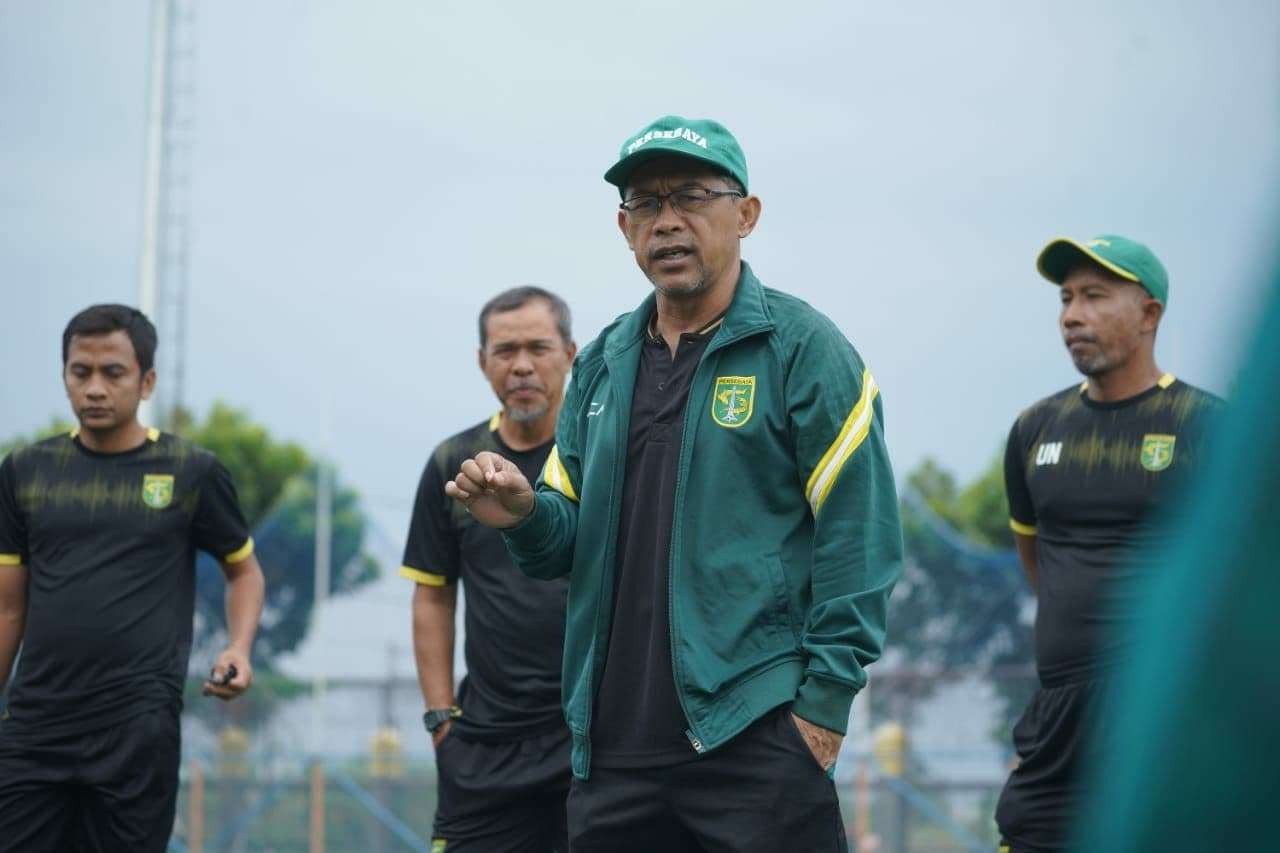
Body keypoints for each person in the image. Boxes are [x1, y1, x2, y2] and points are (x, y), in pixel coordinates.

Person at [444, 115, 903, 851]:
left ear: (745, 214)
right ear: (624, 229)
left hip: (754, 736)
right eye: (646, 203)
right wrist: (525, 513)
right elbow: (561, 540)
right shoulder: (600, 363)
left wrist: (823, 706)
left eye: (690, 196)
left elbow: (862, 534)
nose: (667, 221)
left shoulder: (803, 349)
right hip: (613, 750)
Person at [0, 304, 265, 852]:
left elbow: (244, 573)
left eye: (112, 373)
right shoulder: (25, 472)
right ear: (65, 376)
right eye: (81, 372)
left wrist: (239, 646)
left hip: (137, 729)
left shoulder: (192, 472)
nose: (95, 388)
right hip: (34, 728)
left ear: (146, 381)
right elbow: (7, 608)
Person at [996, 236, 1223, 852]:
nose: (1072, 314)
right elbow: (1037, 564)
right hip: (1059, 717)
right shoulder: (1034, 430)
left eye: (1095, 296)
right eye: (1067, 298)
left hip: (1163, 711)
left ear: (1149, 314)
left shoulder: (1207, 427)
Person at [402, 287, 577, 852]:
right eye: (504, 350)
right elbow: (432, 594)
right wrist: (439, 720)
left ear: (570, 353)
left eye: (537, 347)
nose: (521, 365)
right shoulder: (455, 464)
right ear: (482, 362)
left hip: (595, 736)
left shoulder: (602, 453)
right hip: (484, 741)